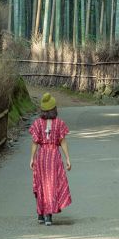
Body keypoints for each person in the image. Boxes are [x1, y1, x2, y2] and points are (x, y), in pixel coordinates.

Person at [29, 93, 71, 226]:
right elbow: (62, 142)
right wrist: (67, 158)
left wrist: (32, 158)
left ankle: (40, 214)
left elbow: (35, 142)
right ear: (54, 109)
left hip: (41, 157)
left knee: (41, 184)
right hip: (53, 157)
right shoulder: (59, 123)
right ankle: (48, 215)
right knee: (51, 184)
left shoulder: (37, 124)